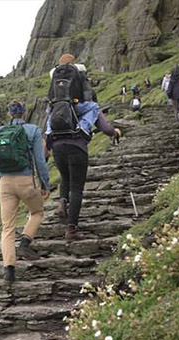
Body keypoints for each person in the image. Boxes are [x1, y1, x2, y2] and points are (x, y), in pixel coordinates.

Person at [45, 53, 120, 241]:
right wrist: (114, 132)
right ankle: (71, 230)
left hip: (57, 144)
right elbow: (103, 126)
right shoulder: (87, 100)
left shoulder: (54, 99)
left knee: (65, 177)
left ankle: (62, 202)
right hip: (77, 145)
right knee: (77, 188)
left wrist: (47, 148)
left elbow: (48, 126)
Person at [0, 101, 50, 282]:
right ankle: (25, 242)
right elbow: (40, 160)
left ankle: (9, 270)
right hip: (25, 181)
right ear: (25, 113)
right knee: (37, 212)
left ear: (9, 114)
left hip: (4, 183)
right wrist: (45, 184)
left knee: (7, 227)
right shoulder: (33, 131)